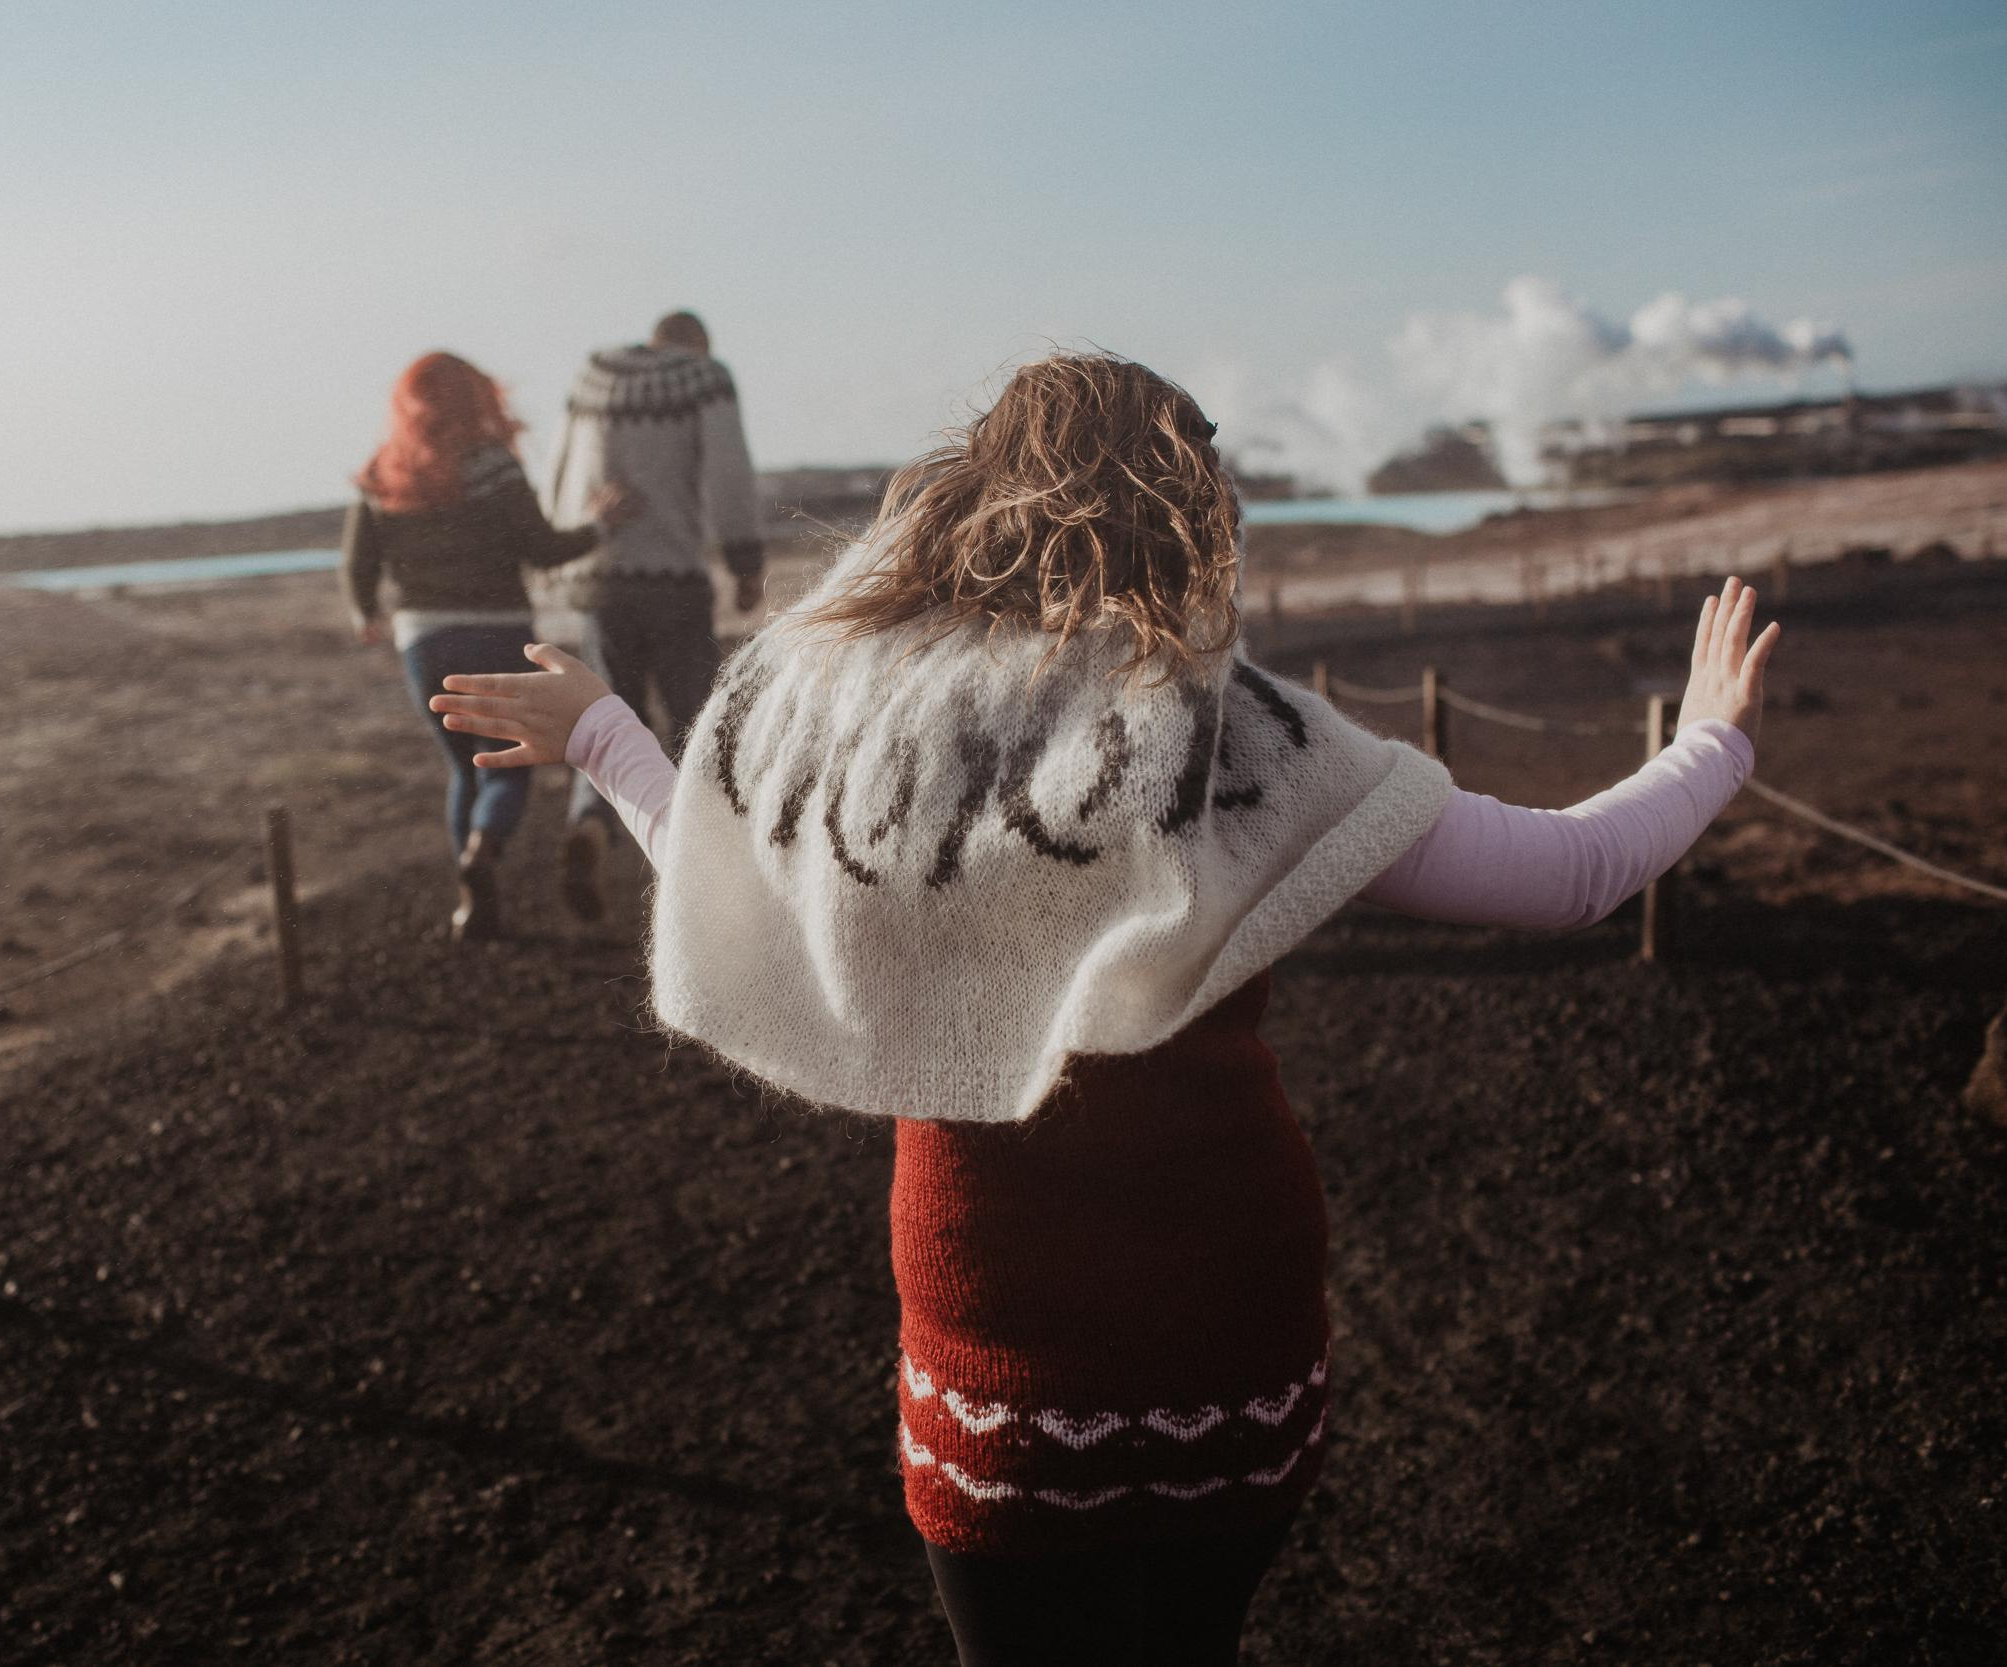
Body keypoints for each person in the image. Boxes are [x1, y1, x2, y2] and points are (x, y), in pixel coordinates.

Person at [427, 354, 1779, 1665]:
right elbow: (1572, 873)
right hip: (1233, 1338)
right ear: (1189, 516)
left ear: (973, 498)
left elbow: (724, 870)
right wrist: (1712, 738)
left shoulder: (866, 732)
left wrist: (605, 734)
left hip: (995, 1346)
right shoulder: (1250, 735)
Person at [340, 351, 630, 942]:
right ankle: (483, 849)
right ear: (478, 399)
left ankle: (471, 902)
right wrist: (600, 525)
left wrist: (365, 610)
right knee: (503, 762)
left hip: (423, 640)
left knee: (459, 769)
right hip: (497, 631)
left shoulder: (384, 471)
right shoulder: (494, 467)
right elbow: (543, 547)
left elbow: (357, 561)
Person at [538, 309, 765, 921]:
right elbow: (727, 473)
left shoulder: (595, 374)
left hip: (599, 582)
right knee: (699, 728)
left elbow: (559, 466)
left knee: (605, 720)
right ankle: (712, 875)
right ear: (698, 343)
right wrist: (745, 562)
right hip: (673, 580)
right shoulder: (703, 378)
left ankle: (589, 823)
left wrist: (563, 549)